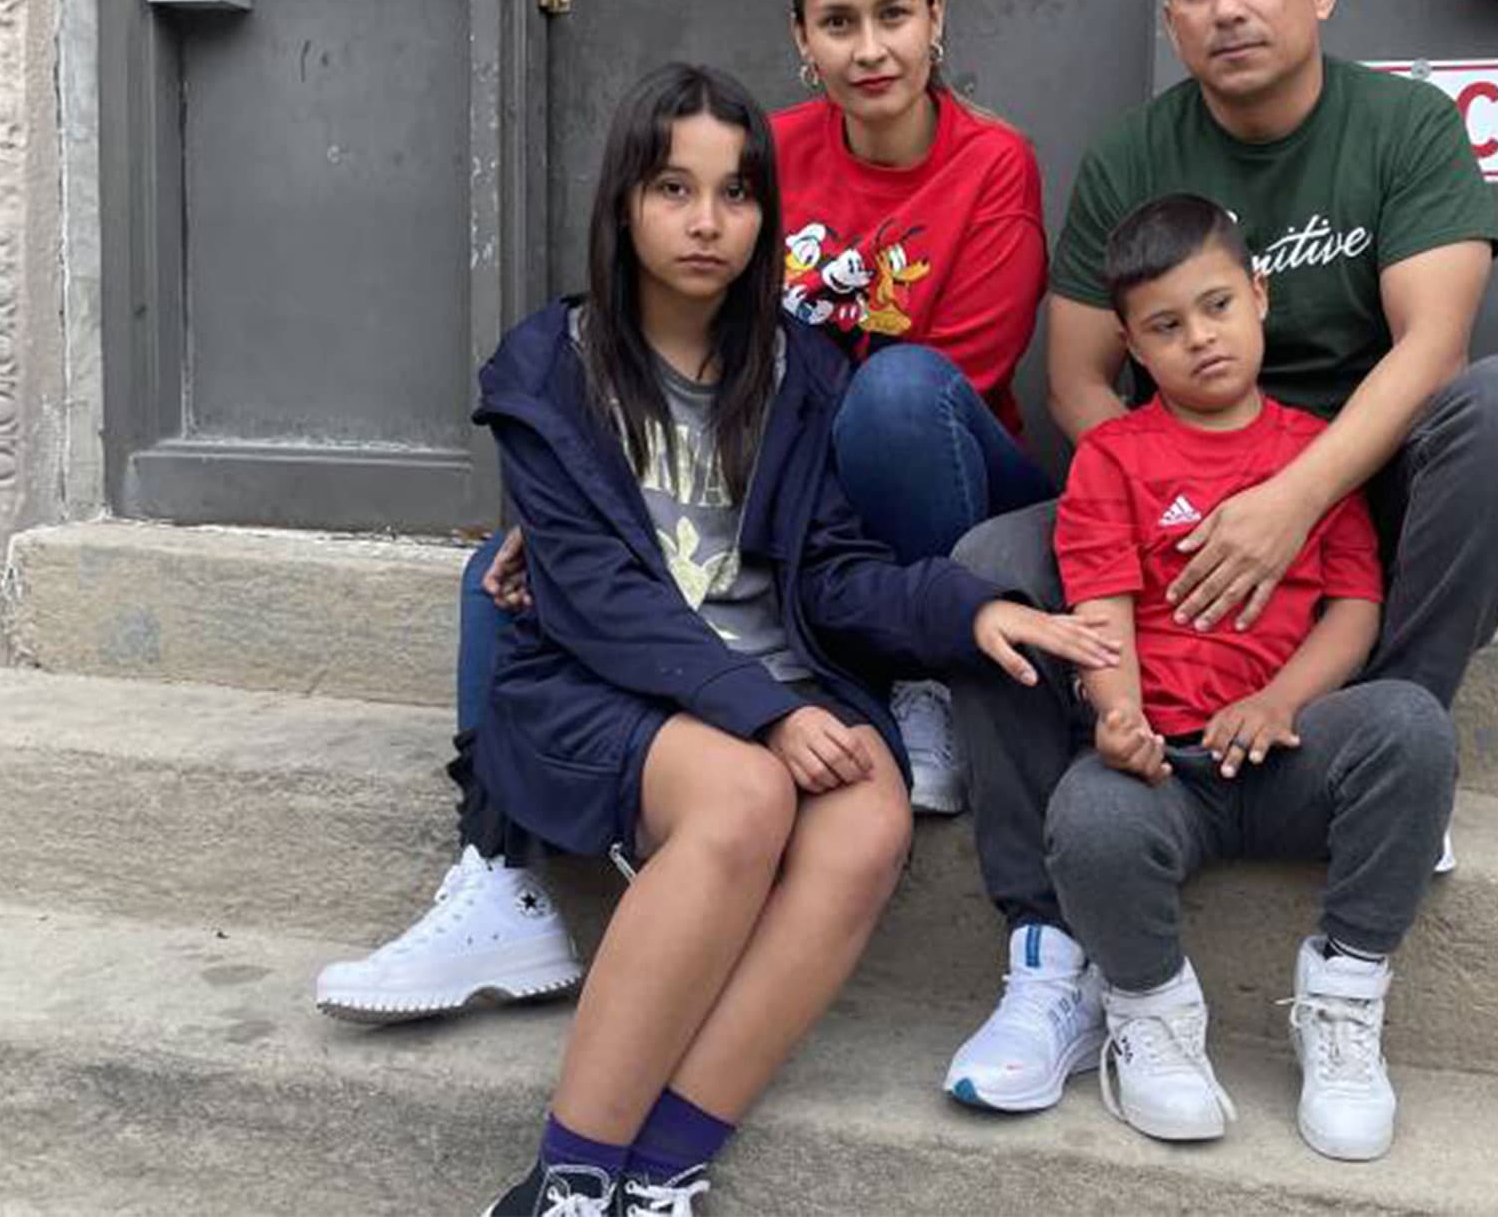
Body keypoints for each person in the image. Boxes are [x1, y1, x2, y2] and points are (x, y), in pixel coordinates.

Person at [333, 63, 1119, 1217]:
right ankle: (567, 1177)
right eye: (673, 188)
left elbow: (837, 568)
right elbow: (596, 591)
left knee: (867, 817)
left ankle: (661, 1171)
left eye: (737, 193)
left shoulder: (800, 368)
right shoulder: (552, 364)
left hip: (780, 680)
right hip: (611, 689)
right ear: (624, 205)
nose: (707, 222)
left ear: (768, 214)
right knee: (748, 797)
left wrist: (966, 609)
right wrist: (767, 711)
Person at [938, 0, 1498, 1115]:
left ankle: (1389, 749)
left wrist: (1287, 498)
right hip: (1173, 497)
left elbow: (1431, 345)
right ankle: (1051, 942)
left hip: (1364, 491)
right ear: (1172, 19)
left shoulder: (1405, 128)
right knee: (987, 565)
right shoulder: (1135, 152)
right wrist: (1165, 493)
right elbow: (1076, 378)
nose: (1229, 6)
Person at [471, 0, 1051, 820]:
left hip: (931, 481)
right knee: (504, 575)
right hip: (782, 464)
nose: (869, 50)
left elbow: (957, 384)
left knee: (895, 396)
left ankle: (923, 680)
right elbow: (702, 343)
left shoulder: (993, 164)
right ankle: (496, 858)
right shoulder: (765, 154)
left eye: (893, 15)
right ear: (801, 35)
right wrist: (595, 499)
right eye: (838, 23)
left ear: (936, 16)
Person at [1043, 193, 1450, 1160]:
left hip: (1290, 755)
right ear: (1134, 349)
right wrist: (1121, 718)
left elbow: (1354, 607)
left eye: (1218, 306)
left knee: (1411, 725)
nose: (1202, 340)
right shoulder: (1113, 456)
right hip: (1166, 772)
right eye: (1167, 328)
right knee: (1088, 816)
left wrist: (1280, 701)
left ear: (1262, 296)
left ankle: (1346, 996)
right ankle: (1150, 1013)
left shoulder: (1314, 457)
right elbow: (1099, 610)